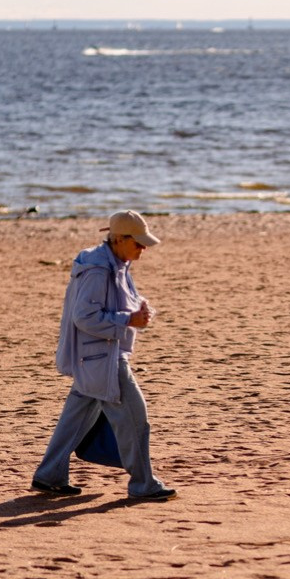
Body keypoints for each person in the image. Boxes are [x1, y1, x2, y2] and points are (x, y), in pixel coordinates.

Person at [30, 210, 176, 504]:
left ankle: (49, 476)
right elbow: (84, 317)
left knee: (76, 419)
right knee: (135, 418)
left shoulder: (115, 262)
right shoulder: (99, 270)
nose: (143, 248)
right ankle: (143, 484)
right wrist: (128, 319)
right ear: (119, 239)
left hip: (96, 357)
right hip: (103, 357)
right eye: (138, 243)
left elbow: (117, 304)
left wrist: (140, 311)